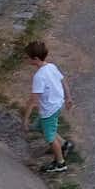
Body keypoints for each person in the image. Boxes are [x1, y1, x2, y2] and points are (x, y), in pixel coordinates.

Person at [27, 37, 71, 174]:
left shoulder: (39, 77)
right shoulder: (51, 66)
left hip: (48, 110)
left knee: (50, 138)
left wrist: (25, 119)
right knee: (41, 127)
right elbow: (63, 81)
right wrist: (69, 97)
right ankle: (64, 144)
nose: (26, 60)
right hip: (57, 104)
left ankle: (60, 163)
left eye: (27, 58)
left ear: (35, 59)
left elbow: (33, 101)